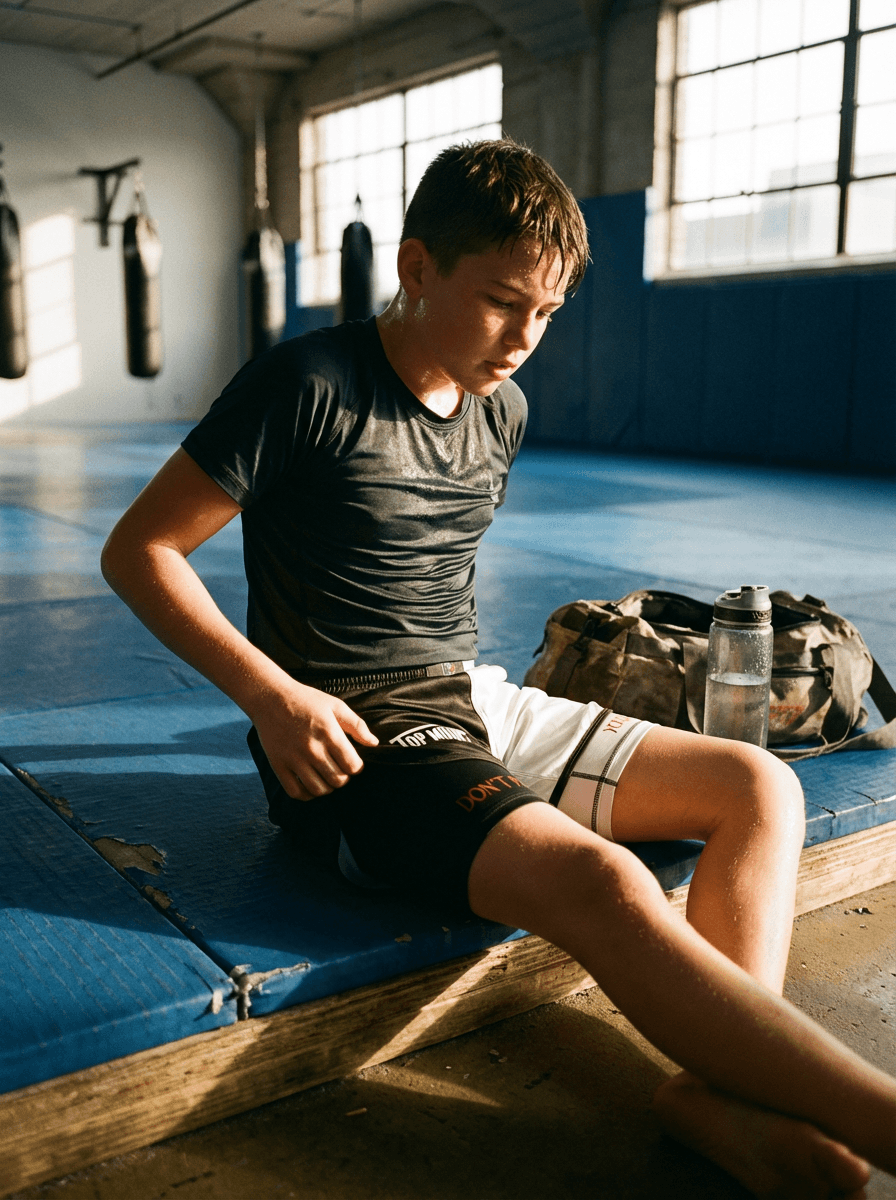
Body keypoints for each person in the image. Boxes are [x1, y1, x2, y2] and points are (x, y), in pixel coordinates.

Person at [102, 139, 895, 1199]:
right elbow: (139, 550)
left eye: (547, 313)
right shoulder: (308, 382)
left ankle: (718, 1095)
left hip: (464, 696)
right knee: (602, 880)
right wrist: (271, 695)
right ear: (417, 266)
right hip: (349, 730)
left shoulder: (500, 410)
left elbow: (431, 586)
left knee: (759, 785)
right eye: (498, 302)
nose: (523, 340)